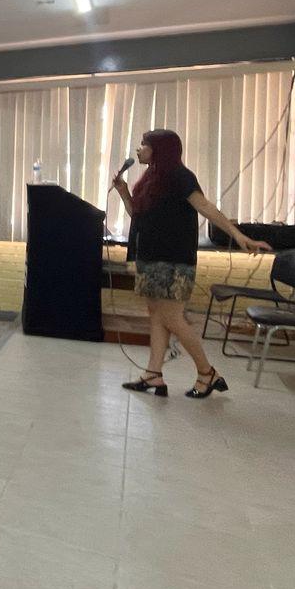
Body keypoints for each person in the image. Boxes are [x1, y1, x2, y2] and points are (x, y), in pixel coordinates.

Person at [112, 128, 272, 398]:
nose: (138, 150)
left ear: (159, 150)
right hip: (150, 257)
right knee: (156, 314)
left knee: (172, 317)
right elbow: (138, 216)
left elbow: (206, 207)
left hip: (174, 260)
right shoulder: (151, 178)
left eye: (144, 145)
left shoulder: (180, 176)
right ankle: (154, 375)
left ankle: (207, 373)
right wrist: (124, 192)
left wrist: (238, 235)